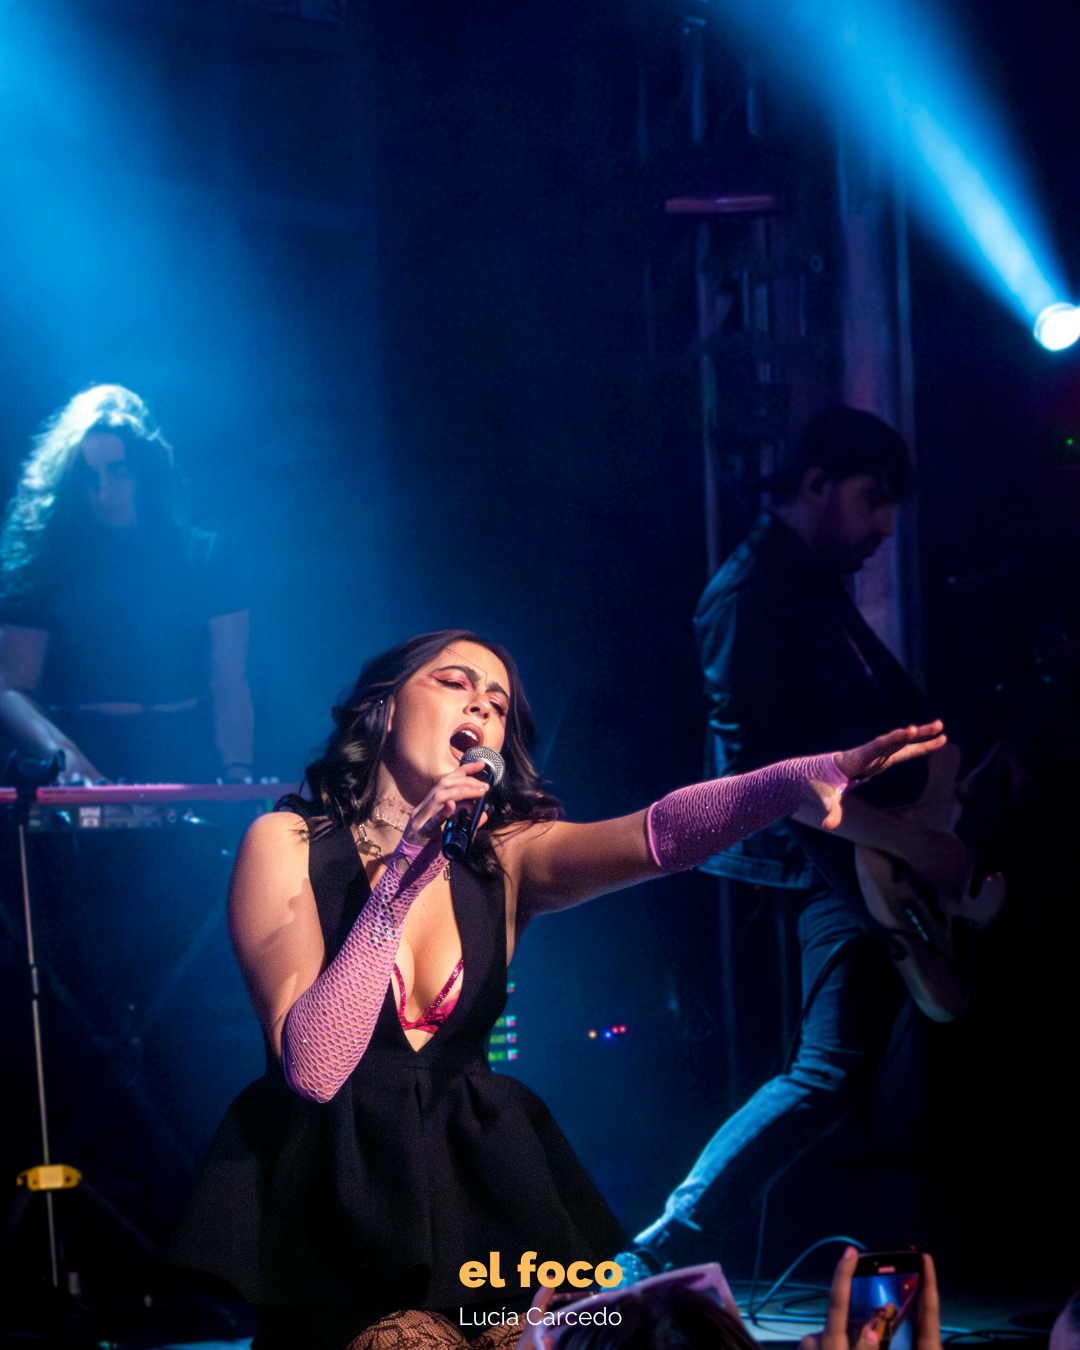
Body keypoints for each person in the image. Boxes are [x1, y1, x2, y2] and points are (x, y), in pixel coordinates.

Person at [168, 626, 947, 1350]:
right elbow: (313, 1068)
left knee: (629, 1337)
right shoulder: (288, 842)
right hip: (342, 1226)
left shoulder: (504, 857)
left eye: (498, 702)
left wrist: (788, 783)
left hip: (480, 1213)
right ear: (384, 707)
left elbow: (659, 834)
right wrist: (403, 873)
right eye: (455, 682)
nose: (482, 704)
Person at [619, 408, 969, 1279]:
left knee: (840, 1071)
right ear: (816, 483)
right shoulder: (751, 591)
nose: (885, 526)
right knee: (829, 1071)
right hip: (827, 863)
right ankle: (652, 1260)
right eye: (872, 498)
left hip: (865, 857)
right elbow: (771, 774)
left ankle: (658, 1257)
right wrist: (910, 842)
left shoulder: (809, 581)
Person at [0, 385, 253, 784]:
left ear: (146, 470)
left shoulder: (205, 556)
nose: (103, 490)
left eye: (117, 470)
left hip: (185, 754)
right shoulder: (45, 564)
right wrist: (67, 757)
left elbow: (229, 681)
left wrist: (238, 772)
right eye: (89, 477)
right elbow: (12, 688)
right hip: (82, 752)